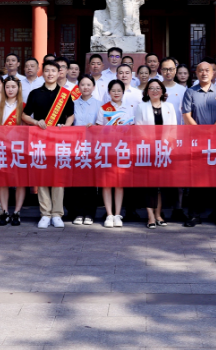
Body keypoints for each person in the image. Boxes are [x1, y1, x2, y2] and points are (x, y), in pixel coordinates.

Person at [22, 60, 74, 229]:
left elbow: (70, 115)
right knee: (43, 176)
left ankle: (57, 214)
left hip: (59, 141)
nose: (50, 73)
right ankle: (45, 213)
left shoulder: (65, 94)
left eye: (53, 70)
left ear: (59, 73)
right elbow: (25, 115)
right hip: (40, 140)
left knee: (58, 177)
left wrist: (65, 128)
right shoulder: (35, 93)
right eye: (47, 71)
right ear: (42, 73)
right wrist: (36, 122)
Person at [181, 58, 216, 228]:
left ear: (213, 73)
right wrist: (201, 133)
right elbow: (186, 115)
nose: (204, 73)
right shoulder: (190, 92)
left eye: (207, 70)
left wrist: (211, 133)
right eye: (200, 70)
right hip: (196, 141)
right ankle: (194, 215)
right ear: (196, 73)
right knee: (196, 179)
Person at [135, 79, 178, 228]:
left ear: (162, 91)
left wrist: (167, 143)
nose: (155, 91)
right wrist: (150, 143)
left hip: (164, 150)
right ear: (147, 91)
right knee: (149, 184)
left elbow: (173, 128)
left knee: (161, 184)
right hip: (147, 150)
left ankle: (158, 214)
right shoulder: (141, 107)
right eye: (151, 88)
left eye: (158, 88)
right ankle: (150, 216)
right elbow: (138, 128)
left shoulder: (169, 106)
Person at [65, 75, 102, 226]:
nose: (85, 87)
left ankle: (90, 213)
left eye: (88, 85)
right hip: (76, 146)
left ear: (93, 87)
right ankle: (78, 213)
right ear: (78, 87)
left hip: (93, 147)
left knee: (91, 183)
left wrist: (95, 127)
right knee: (77, 182)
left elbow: (103, 126)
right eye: (82, 84)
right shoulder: (72, 104)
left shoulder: (100, 105)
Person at [96, 79, 133, 228]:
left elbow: (132, 129)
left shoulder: (129, 108)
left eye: (119, 90)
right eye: (113, 90)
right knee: (106, 183)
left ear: (123, 92)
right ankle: (109, 214)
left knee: (119, 183)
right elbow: (99, 128)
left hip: (123, 149)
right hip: (107, 150)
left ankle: (117, 215)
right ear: (109, 92)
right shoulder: (103, 108)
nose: (116, 93)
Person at [0, 76, 27, 226]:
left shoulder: (24, 106)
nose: (10, 90)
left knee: (20, 181)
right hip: (2, 147)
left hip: (19, 148)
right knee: (3, 181)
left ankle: (17, 212)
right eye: (7, 87)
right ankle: (4, 211)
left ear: (18, 88)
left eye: (13, 87)